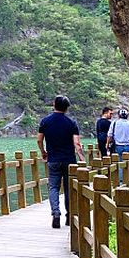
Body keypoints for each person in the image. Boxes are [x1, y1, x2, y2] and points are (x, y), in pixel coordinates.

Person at [37, 95, 83, 229]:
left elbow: (39, 140)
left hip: (53, 159)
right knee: (69, 189)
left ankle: (56, 213)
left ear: (54, 104)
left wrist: (43, 152)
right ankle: (69, 216)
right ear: (67, 108)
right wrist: (82, 159)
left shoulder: (45, 121)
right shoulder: (71, 123)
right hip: (69, 160)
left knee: (53, 187)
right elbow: (77, 144)